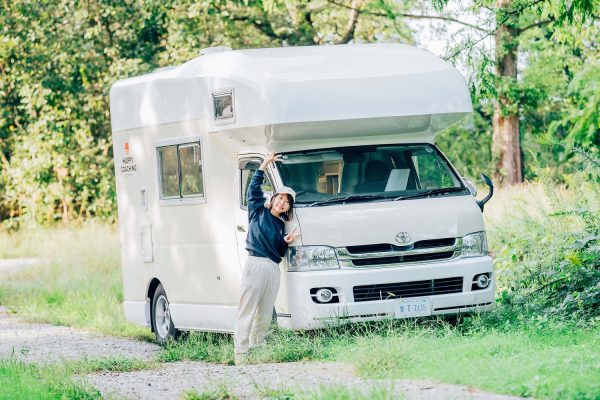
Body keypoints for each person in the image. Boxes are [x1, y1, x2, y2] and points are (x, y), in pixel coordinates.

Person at [233, 153, 299, 365]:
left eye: (286, 202)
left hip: (272, 268)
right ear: (272, 199)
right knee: (247, 310)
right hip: (255, 264)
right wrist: (265, 164)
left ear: (288, 209)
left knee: (264, 314)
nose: (282, 202)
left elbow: (278, 253)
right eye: (280, 198)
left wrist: (286, 241)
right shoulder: (257, 211)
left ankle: (258, 350)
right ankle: (241, 354)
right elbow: (253, 187)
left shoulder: (281, 226)